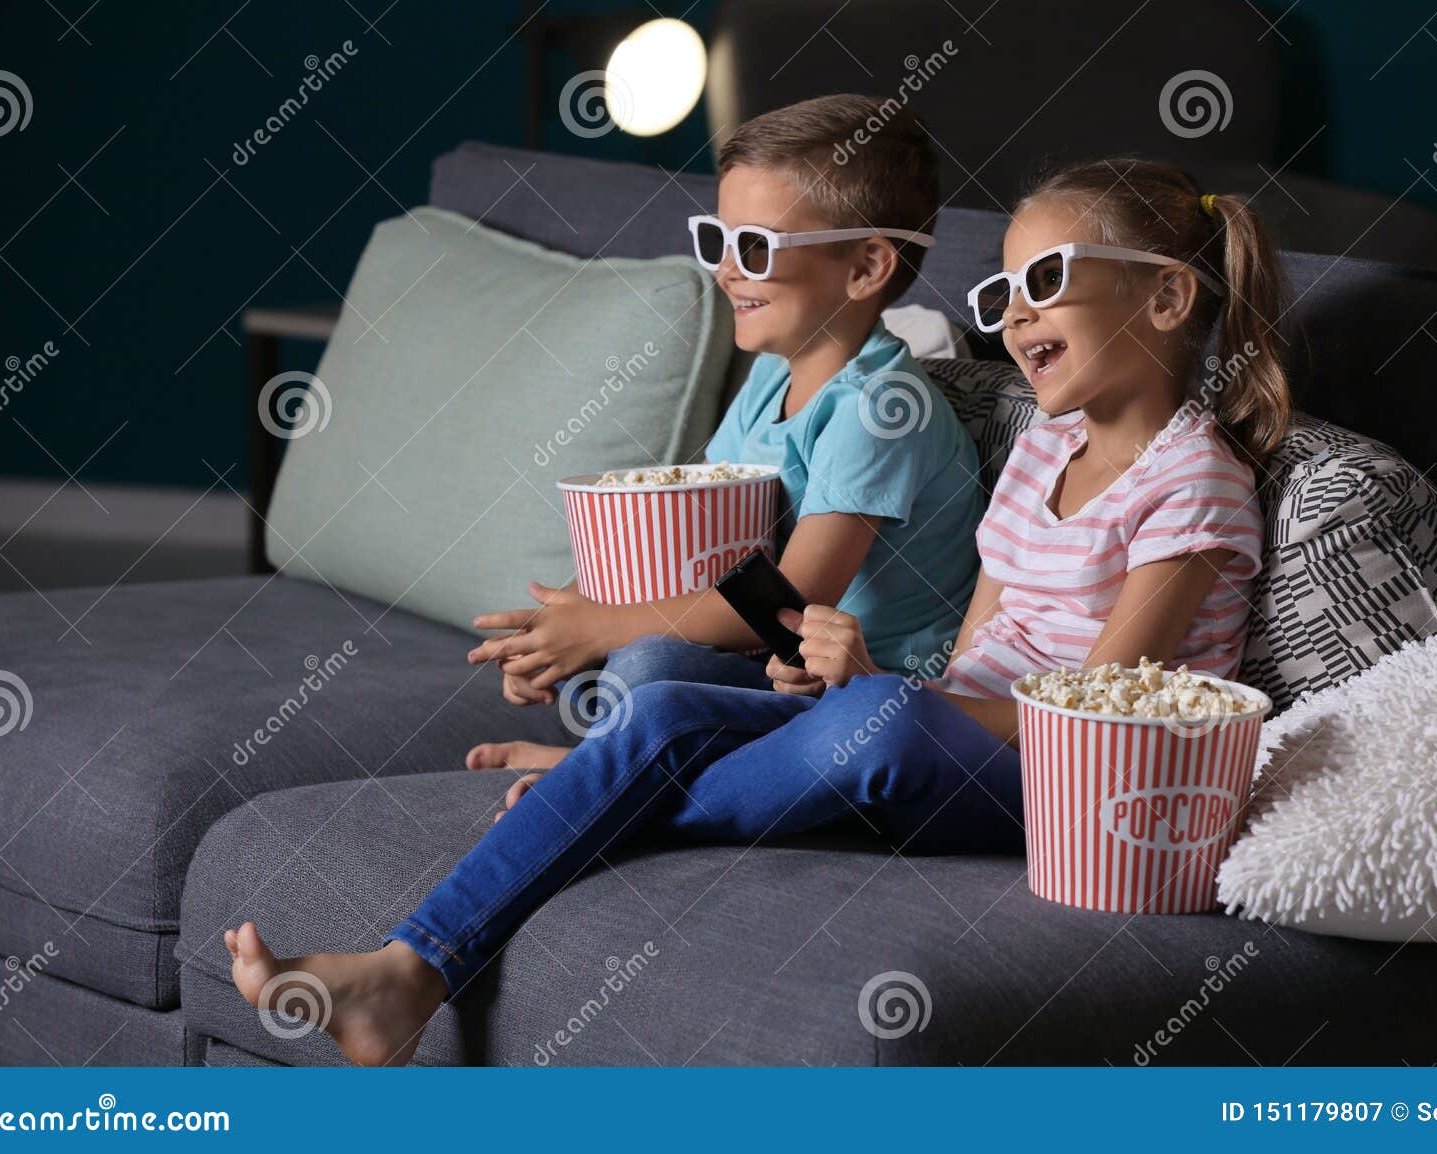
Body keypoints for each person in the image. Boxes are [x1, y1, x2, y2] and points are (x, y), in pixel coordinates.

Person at [226, 157, 1287, 1066]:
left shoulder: (1191, 484)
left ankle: (615, 794)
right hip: (946, 731)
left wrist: (884, 698)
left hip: (1064, 785)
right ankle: (411, 967)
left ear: (1163, 299)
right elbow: (974, 656)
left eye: (1045, 281)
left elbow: (1095, 718)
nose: (1011, 314)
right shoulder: (1042, 453)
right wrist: (860, 671)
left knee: (870, 723)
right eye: (1004, 287)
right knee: (675, 704)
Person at [463, 94, 983, 776]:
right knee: (626, 645)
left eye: (755, 247)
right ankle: (606, 761)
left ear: (865, 267)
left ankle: (600, 775)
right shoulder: (772, 377)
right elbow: (689, 530)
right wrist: (569, 622)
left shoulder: (879, 408)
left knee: (648, 656)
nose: (725, 269)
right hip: (771, 668)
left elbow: (788, 605)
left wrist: (604, 628)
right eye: (719, 239)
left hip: (857, 694)